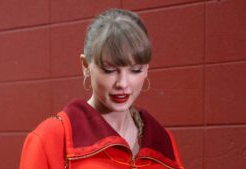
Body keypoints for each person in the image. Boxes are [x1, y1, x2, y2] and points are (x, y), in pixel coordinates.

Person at [20, 8, 184, 169]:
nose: (123, 83)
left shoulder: (163, 142)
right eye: (109, 70)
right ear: (85, 65)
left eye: (135, 70)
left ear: (147, 68)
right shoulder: (50, 138)